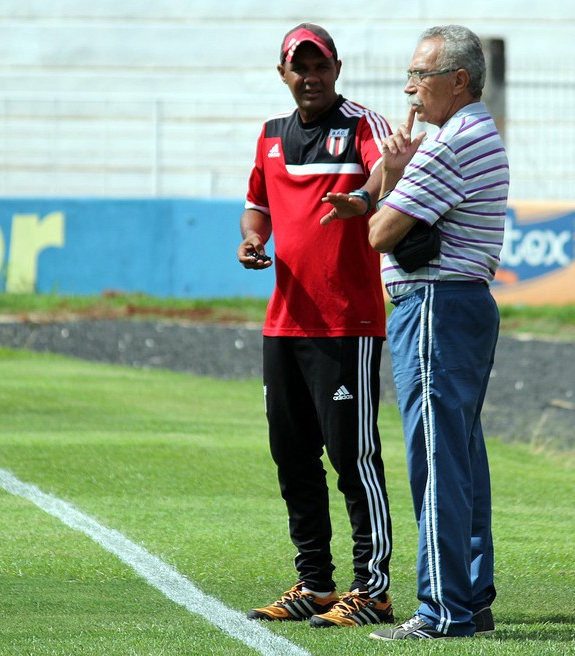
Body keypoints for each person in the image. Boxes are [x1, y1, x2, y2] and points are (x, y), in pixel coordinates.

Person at [237, 23, 395, 629]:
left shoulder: (362, 124)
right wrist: (253, 242)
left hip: (346, 323)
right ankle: (316, 583)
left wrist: (366, 196)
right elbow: (257, 207)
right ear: (283, 74)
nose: (310, 77)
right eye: (298, 67)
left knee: (353, 454)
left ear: (337, 67)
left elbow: (389, 171)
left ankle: (372, 589)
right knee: (293, 456)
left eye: (319, 65)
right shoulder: (271, 136)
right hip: (285, 324)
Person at [367, 25, 509, 640]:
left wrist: (393, 173)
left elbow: (379, 232)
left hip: (433, 306)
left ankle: (442, 610)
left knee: (435, 460)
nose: (409, 88)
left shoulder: (449, 143)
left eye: (420, 75)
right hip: (462, 305)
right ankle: (471, 598)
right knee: (460, 457)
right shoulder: (481, 134)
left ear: (457, 80)